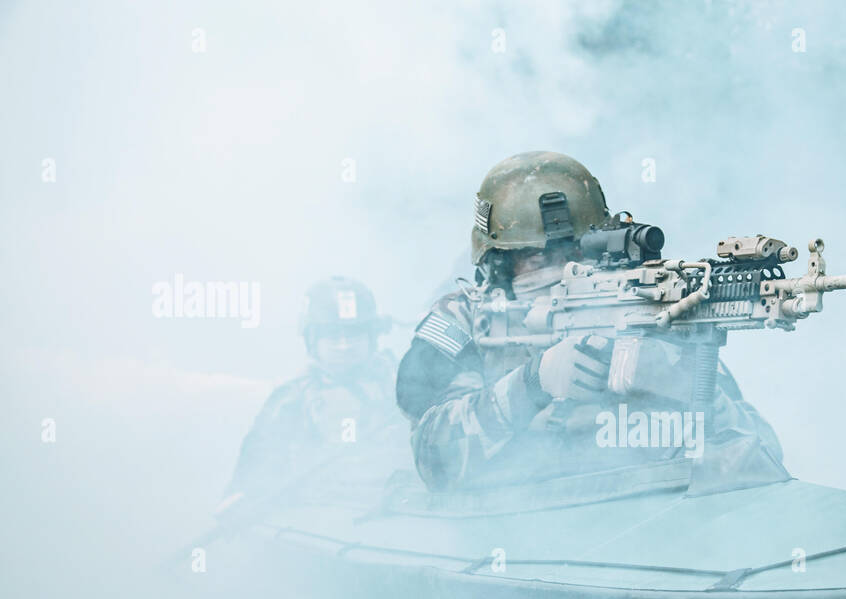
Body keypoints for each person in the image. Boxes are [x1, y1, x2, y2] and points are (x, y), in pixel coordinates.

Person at [394, 151, 783, 494]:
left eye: (572, 252)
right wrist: (533, 382)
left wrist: (685, 386)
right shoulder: (464, 320)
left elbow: (761, 459)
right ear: (498, 263)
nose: (559, 271)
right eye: (532, 258)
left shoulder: (649, 308)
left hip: (640, 522)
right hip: (510, 529)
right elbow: (435, 462)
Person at [226, 275, 402, 498]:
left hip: (400, 512)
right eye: (332, 335)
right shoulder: (291, 400)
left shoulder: (406, 387)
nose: (344, 345)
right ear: (312, 339)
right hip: (316, 519)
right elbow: (253, 477)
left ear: (372, 335)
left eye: (354, 333)